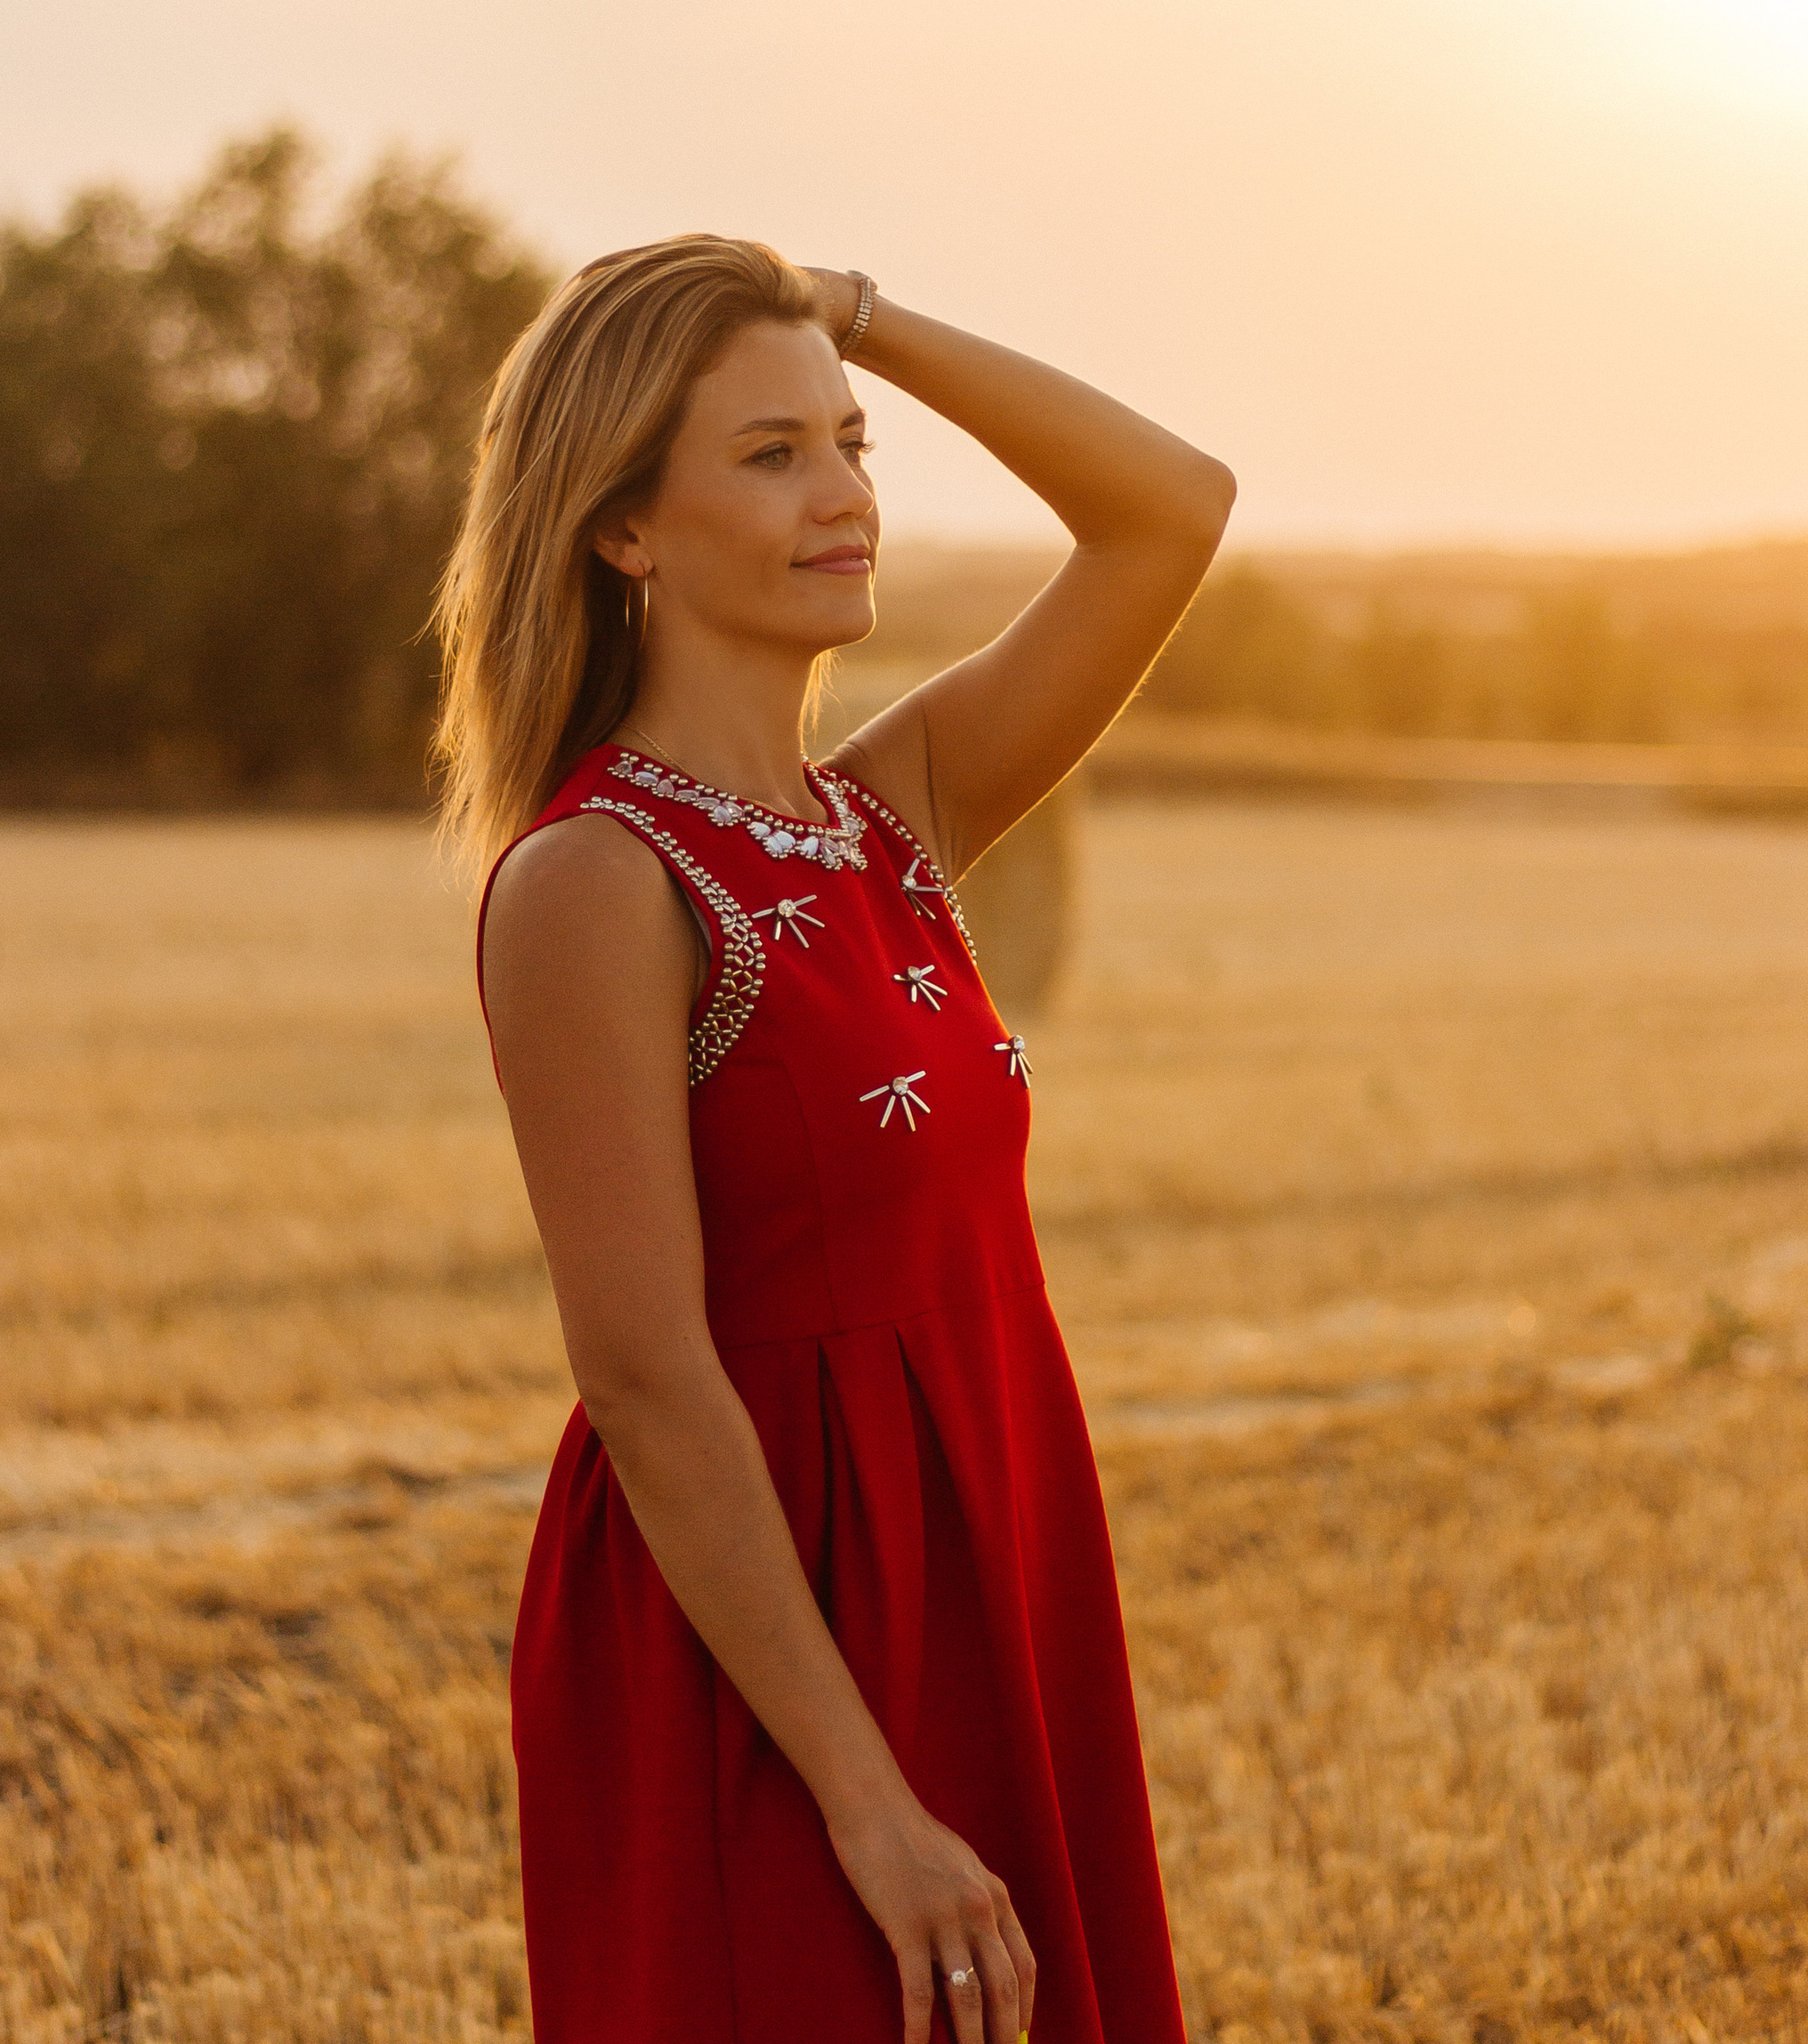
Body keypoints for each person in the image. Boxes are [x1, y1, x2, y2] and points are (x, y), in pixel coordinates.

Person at [434, 237, 1233, 2044]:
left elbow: (1169, 512)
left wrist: (856, 311)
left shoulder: (889, 816)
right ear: (623, 527)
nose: (846, 495)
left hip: (985, 1561)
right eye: (771, 453)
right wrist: (866, 1801)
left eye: (854, 444)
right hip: (776, 1646)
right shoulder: (595, 880)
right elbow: (643, 1378)